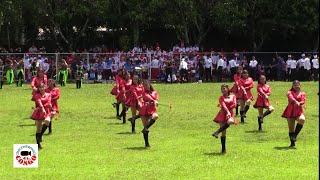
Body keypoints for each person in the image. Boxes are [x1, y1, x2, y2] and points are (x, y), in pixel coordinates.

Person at [212, 84, 237, 153]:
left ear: (228, 89)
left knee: (230, 121)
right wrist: (227, 111)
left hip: (230, 113)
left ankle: (216, 132)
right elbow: (223, 105)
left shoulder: (233, 96)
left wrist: (229, 110)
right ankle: (223, 149)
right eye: (222, 89)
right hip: (222, 114)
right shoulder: (221, 98)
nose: (223, 90)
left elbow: (235, 104)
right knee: (224, 132)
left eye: (224, 88)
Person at [281, 80, 306, 147]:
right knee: (291, 128)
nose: (296, 86)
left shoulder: (302, 93)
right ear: (292, 86)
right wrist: (295, 101)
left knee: (302, 119)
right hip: (290, 111)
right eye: (295, 85)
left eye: (298, 85)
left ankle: (294, 135)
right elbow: (291, 98)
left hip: (299, 111)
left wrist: (300, 103)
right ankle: (292, 143)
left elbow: (303, 100)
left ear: (300, 86)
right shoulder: (289, 92)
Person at [30, 83, 52, 149]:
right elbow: (39, 102)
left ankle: (40, 136)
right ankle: (38, 144)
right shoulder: (37, 95)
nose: (41, 89)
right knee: (38, 129)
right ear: (38, 88)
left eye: (43, 87)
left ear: (45, 87)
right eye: (40, 87)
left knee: (47, 120)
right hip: (39, 112)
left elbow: (49, 102)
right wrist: (42, 108)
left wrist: (45, 107)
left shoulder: (48, 94)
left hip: (46, 111)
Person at [140, 80, 159, 148]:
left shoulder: (155, 92)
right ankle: (146, 143)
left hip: (152, 110)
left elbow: (156, 99)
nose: (145, 87)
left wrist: (155, 102)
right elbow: (148, 97)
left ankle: (145, 128)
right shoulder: (143, 93)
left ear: (149, 84)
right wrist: (153, 101)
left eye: (146, 85)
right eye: (144, 86)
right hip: (144, 110)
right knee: (146, 129)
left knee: (156, 116)